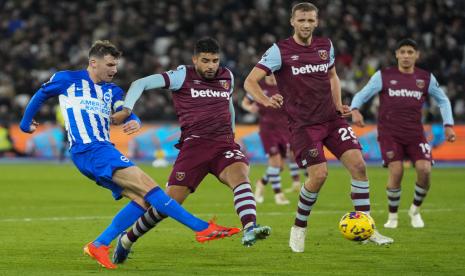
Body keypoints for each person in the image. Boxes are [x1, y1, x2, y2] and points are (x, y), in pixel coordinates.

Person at [19, 40, 240, 269]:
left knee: (144, 200)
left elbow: (123, 111)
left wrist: (134, 120)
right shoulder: (66, 79)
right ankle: (202, 228)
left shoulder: (112, 91)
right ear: (93, 63)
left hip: (102, 149)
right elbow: (40, 95)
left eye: (116, 65)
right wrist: (26, 124)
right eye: (110, 65)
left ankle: (99, 244)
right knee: (151, 188)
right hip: (89, 148)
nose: (114, 70)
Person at [243, 2, 393, 253]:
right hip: (303, 126)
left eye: (310, 20)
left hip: (331, 120)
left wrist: (338, 105)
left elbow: (332, 76)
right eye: (301, 20)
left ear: (317, 22)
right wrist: (266, 100)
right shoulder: (279, 50)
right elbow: (250, 81)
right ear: (292, 21)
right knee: (319, 175)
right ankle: (299, 227)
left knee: (358, 166)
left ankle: (367, 228)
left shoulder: (326, 46)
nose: (306, 25)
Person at [110, 37, 271, 264]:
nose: (211, 66)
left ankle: (250, 227)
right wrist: (127, 109)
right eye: (205, 61)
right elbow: (139, 84)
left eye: (215, 61)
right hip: (194, 147)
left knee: (240, 176)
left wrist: (233, 135)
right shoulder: (181, 76)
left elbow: (228, 106)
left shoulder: (227, 76)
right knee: (169, 204)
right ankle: (127, 239)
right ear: (195, 59)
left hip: (224, 144)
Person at [351, 38, 456, 229]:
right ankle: (393, 217)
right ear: (396, 54)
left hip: (416, 133)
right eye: (403, 52)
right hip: (390, 133)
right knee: (396, 171)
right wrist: (355, 109)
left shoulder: (425, 78)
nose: (406, 56)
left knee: (424, 170)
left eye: (410, 52)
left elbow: (443, 101)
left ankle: (414, 210)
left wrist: (448, 124)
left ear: (417, 55)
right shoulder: (383, 76)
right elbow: (362, 94)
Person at [241, 74, 302, 205]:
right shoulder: (258, 86)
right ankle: (278, 194)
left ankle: (261, 183)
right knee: (274, 161)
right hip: (267, 129)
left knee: (279, 167)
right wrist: (250, 107)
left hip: (284, 129)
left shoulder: (285, 86)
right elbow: (245, 102)